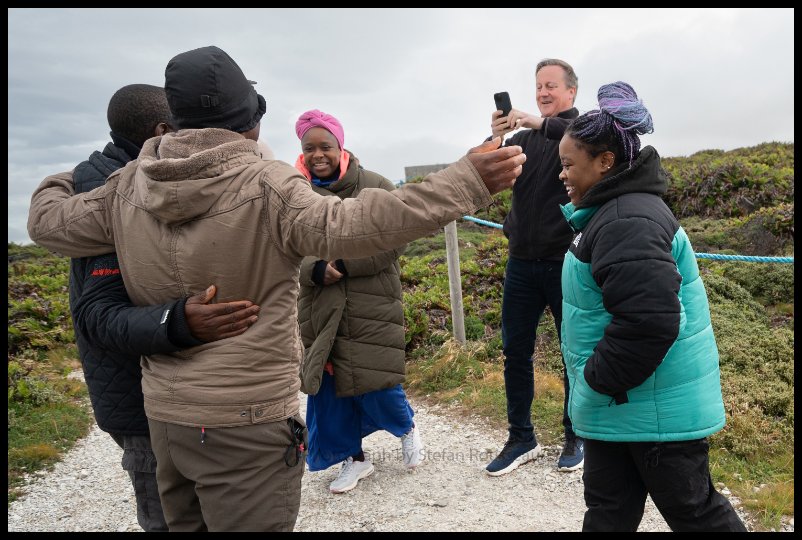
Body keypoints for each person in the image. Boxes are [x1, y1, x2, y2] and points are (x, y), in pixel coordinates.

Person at [27, 45, 525, 532]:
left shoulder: (125, 186)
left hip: (167, 419)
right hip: (248, 418)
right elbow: (356, 224)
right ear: (250, 121)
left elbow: (47, 223)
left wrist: (65, 175)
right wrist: (464, 181)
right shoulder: (268, 185)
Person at [66, 83, 260, 532]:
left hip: (184, 398)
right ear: (161, 129)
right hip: (143, 407)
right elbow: (96, 316)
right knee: (171, 521)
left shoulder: (147, 179)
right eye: (184, 124)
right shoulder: (110, 190)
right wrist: (179, 320)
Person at [557, 81, 747, 532]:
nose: (562, 175)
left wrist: (597, 379)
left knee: (695, 514)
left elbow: (650, 320)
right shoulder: (616, 212)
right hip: (626, 407)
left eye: (568, 165)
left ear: (606, 163)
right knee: (609, 514)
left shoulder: (626, 220)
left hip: (646, 408)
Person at [294, 109, 424, 494]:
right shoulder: (293, 191)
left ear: (340, 145)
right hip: (321, 306)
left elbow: (396, 237)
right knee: (330, 391)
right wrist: (315, 269)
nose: (318, 154)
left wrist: (346, 264)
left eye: (326, 146)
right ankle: (355, 459)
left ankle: (407, 429)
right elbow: (282, 246)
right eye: (309, 148)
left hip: (371, 301)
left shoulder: (375, 185)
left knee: (378, 381)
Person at [485, 59, 583, 476]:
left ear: (571, 93)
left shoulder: (581, 133)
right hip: (521, 263)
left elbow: (576, 136)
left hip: (564, 262)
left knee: (572, 354)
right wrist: (496, 136)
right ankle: (521, 437)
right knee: (515, 353)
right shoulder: (524, 137)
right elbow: (486, 171)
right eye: (538, 86)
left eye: (551, 86)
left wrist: (537, 124)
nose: (542, 93)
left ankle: (577, 435)